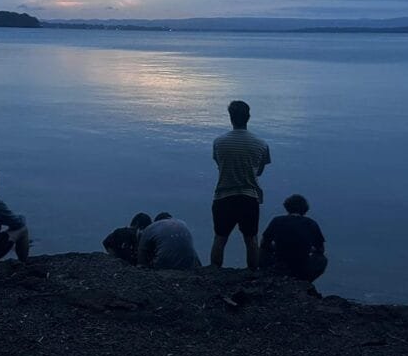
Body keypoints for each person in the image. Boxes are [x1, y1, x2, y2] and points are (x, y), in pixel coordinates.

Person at [210, 100, 271, 269]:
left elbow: (219, 164)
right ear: (248, 117)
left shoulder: (219, 142)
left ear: (231, 118)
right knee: (251, 239)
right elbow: (258, 172)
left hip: (223, 196)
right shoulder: (261, 144)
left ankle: (214, 273)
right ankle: (252, 273)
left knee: (220, 238)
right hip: (249, 197)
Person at [260, 194, 327, 282]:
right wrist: (307, 249)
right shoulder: (311, 223)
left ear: (287, 207)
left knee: (262, 251)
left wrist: (277, 247)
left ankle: (267, 273)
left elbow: (264, 243)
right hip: (302, 267)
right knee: (322, 259)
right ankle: (304, 281)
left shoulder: (277, 220)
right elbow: (320, 249)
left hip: (278, 263)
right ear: (305, 209)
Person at [137, 212, 201, 270]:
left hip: (164, 265)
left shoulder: (151, 227)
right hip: (189, 264)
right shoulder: (182, 224)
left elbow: (142, 252)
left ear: (156, 221)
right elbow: (191, 249)